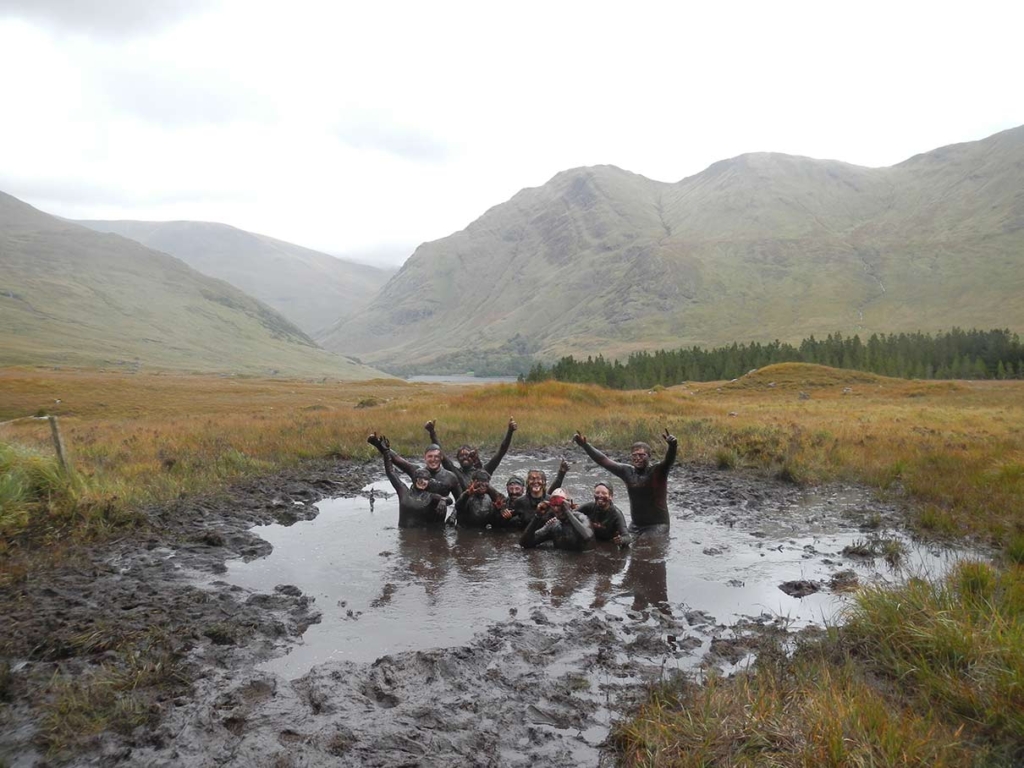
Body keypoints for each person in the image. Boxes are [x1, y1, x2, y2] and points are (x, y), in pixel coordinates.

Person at [572, 429, 678, 529]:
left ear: (649, 456)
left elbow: (668, 460)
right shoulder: (627, 472)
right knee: (624, 544)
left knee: (645, 547)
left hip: (658, 525)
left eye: (642, 455)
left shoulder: (657, 471)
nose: (638, 458)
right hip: (636, 525)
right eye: (634, 455)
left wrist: (672, 446)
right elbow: (603, 460)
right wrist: (585, 445)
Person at [367, 433, 449, 528]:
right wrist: (385, 452)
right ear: (413, 479)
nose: (422, 481)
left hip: (426, 534)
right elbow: (391, 472)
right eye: (419, 478)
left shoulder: (430, 496)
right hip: (404, 534)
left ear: (429, 482)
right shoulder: (403, 491)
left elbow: (450, 500)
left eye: (425, 479)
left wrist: (443, 500)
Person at [424, 418, 516, 493]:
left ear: (473, 456)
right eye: (461, 456)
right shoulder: (455, 473)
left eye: (467, 455)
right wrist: (432, 432)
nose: (465, 457)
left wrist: (510, 432)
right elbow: (441, 454)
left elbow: (501, 452)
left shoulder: (484, 471)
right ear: (457, 459)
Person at [386, 437, 461, 500]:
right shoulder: (416, 471)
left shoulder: (451, 477)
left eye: (436, 456)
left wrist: (452, 517)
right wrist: (382, 447)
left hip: (438, 516)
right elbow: (397, 459)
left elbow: (460, 502)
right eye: (430, 456)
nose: (433, 459)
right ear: (424, 457)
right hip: (417, 514)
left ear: (441, 457)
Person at [519, 488, 594, 551]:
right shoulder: (553, 525)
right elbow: (525, 543)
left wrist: (567, 512)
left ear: (569, 503)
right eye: (553, 505)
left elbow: (587, 537)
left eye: (560, 504)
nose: (556, 509)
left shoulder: (582, 518)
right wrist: (538, 516)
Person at [508, 460, 570, 528]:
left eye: (539, 479)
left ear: (544, 482)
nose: (535, 482)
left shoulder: (551, 500)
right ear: (528, 483)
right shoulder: (520, 502)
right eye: (532, 479)